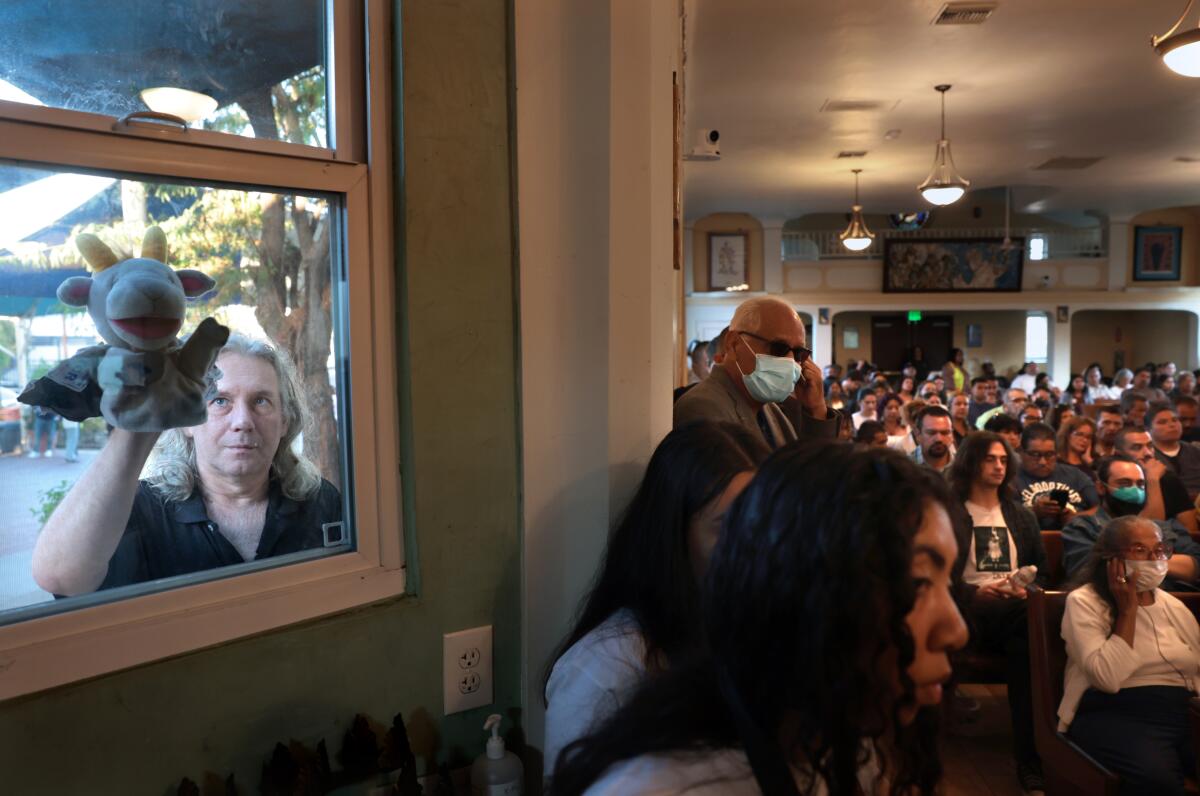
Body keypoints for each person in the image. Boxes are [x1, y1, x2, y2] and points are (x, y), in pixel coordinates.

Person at [551, 443, 968, 795]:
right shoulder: (668, 787)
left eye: (947, 583)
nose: (957, 630)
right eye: (915, 584)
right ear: (803, 594)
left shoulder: (850, 746)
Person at [31, 335, 342, 595]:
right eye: (220, 401)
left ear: (285, 421)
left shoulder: (319, 501)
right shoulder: (141, 509)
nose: (243, 421)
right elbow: (59, 577)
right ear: (187, 421)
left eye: (261, 401)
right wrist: (136, 426)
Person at [543, 422, 768, 773]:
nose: (756, 544)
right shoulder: (603, 671)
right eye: (727, 526)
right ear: (673, 534)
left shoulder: (748, 627)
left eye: (762, 522)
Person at [1060, 516, 1200, 795]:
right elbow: (1107, 679)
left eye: (1159, 550)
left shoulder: (1174, 606)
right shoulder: (1084, 602)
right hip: (1116, 711)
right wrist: (1128, 611)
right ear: (1111, 558)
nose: (1153, 558)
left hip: (1183, 709)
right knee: (1159, 782)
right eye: (1139, 550)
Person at [949, 431, 1048, 793]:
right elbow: (932, 576)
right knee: (1034, 630)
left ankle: (1036, 756)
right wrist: (975, 592)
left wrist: (1023, 587)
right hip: (966, 612)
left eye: (1004, 460)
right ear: (970, 462)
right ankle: (1035, 757)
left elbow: (1041, 568)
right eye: (990, 459)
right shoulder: (950, 511)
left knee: (1028, 638)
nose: (998, 466)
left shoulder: (1019, 515)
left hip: (1016, 610)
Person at [674, 297, 836, 450]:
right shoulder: (703, 409)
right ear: (734, 344)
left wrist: (816, 409)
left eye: (798, 352)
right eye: (778, 348)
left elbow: (807, 473)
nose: (790, 361)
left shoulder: (769, 408)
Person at [1061, 455, 1200, 591]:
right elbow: (1087, 572)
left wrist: (1135, 561)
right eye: (1125, 483)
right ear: (1101, 487)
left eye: (1140, 484)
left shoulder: (1165, 525)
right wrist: (1161, 563)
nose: (1135, 491)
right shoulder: (1082, 526)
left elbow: (1195, 565)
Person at [1015, 422, 1098, 531]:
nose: (1043, 462)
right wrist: (1033, 512)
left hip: (1076, 538)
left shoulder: (1074, 474)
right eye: (1035, 455)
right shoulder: (1011, 479)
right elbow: (1003, 518)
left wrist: (1077, 517)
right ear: (1021, 452)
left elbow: (1100, 509)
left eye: (1049, 455)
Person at [1114, 426, 1197, 534]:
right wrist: (1153, 480)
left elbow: (1191, 528)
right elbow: (1146, 531)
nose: (1148, 453)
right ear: (1119, 454)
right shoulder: (1117, 482)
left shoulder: (1168, 478)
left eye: (1150, 446)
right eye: (1137, 447)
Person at [1148, 402, 1200, 500]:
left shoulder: (1196, 450)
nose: (1172, 425)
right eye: (1162, 422)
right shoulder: (1146, 455)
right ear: (1148, 428)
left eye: (1175, 420)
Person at [911, 405, 955, 475]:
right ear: (918, 434)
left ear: (952, 434)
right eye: (931, 433)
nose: (939, 439)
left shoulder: (964, 466)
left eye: (945, 433)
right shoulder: (903, 468)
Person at [1058, 416, 1098, 483]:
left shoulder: (1092, 462)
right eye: (1079, 434)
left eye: (1088, 437)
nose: (1085, 440)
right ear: (1067, 435)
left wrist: (1089, 461)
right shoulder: (1057, 462)